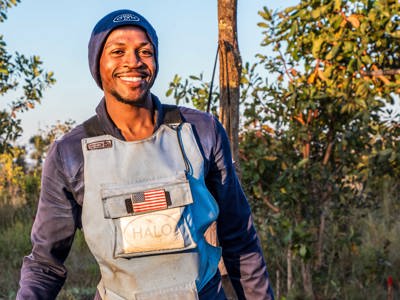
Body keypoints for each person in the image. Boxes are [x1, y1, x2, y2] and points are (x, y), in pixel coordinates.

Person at [17, 9, 274, 300]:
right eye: (118, 51)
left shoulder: (201, 131)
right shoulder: (71, 154)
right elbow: (44, 264)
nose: (133, 61)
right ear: (97, 63)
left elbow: (239, 237)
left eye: (145, 51)